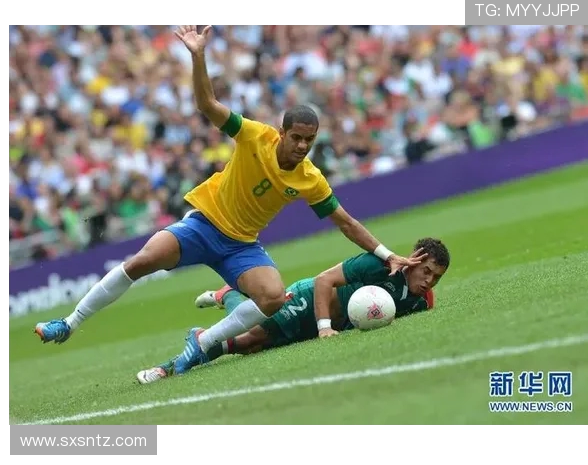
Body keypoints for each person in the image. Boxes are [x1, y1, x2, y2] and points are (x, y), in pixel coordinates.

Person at [34, 25, 423, 367]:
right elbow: (207, 104)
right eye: (297, 137)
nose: (303, 145)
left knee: (273, 297)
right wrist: (198, 56)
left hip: (241, 246)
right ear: (282, 132)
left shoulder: (311, 179)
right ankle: (69, 323)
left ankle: (204, 341)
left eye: (310, 139)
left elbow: (346, 223)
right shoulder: (253, 135)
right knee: (141, 262)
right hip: (203, 225)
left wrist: (387, 254)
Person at [136, 237, 450, 383]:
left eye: (436, 277)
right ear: (415, 260)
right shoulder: (378, 265)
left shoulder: (423, 301)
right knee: (248, 339)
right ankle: (169, 367)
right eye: (426, 271)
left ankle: (227, 296)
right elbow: (324, 280)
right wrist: (325, 326)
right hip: (309, 300)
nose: (429, 281)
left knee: (250, 347)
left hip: (329, 325)